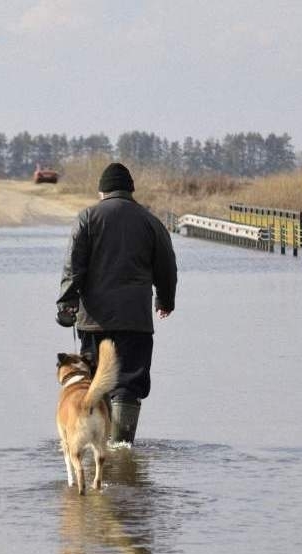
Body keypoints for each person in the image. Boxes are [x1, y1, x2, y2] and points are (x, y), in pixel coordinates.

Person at [56, 162, 177, 445]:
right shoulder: (150, 221)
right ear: (130, 190)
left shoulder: (88, 218)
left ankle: (100, 443)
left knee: (96, 380)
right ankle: (123, 446)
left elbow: (73, 265)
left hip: (93, 320)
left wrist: (67, 302)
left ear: (102, 191)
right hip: (135, 320)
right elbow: (167, 267)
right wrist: (165, 300)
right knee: (129, 382)